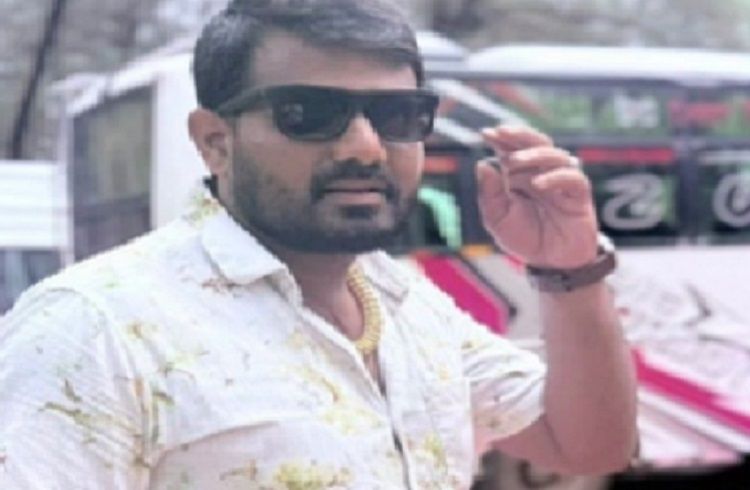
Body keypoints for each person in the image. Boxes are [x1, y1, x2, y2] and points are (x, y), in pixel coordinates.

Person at [0, 0, 638, 488]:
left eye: (397, 116)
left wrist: (570, 270)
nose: (365, 147)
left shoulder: (407, 305)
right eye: (306, 114)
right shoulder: (92, 328)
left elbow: (586, 446)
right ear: (215, 141)